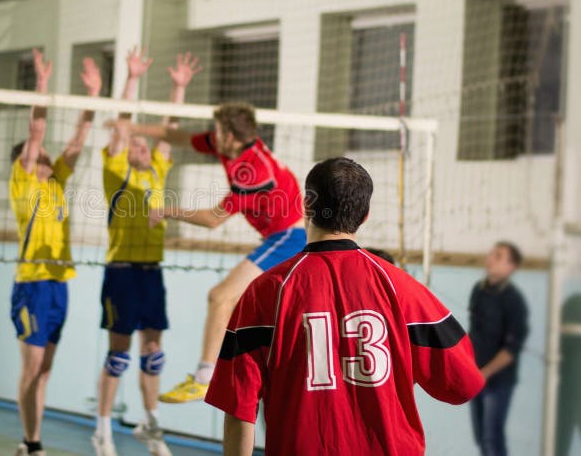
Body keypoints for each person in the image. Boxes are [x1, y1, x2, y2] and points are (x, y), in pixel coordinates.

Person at [205, 157, 486, 455]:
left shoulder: (264, 292)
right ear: (365, 216)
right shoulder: (402, 288)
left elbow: (238, 408)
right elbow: (463, 385)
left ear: (306, 205)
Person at [126, 102, 306, 402]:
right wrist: (133, 127)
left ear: (232, 136)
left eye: (219, 129)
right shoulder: (228, 145)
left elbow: (212, 220)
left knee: (220, 296)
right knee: (256, 317)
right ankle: (245, 380)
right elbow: (180, 137)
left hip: (288, 239)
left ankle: (204, 378)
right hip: (279, 237)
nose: (213, 133)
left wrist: (168, 211)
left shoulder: (254, 172)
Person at [92, 50, 201, 456]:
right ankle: (102, 428)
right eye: (135, 143)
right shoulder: (114, 171)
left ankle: (151, 424)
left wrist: (178, 87)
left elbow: (169, 131)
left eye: (143, 144)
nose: (139, 146)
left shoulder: (157, 171)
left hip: (152, 272)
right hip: (120, 272)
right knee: (118, 355)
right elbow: (121, 127)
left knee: (153, 354)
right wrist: (131, 78)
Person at [10, 49, 101, 456]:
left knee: (44, 372)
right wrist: (42, 85)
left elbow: (78, 140)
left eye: (47, 157)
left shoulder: (56, 183)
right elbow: (36, 135)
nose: (46, 156)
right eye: (38, 156)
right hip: (31, 285)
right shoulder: (23, 184)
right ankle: (32, 444)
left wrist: (94, 95)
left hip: (59, 285)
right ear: (25, 164)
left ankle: (31, 439)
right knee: (31, 369)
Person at [468, 241, 529, 456]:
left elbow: (511, 350)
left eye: (498, 256)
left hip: (498, 381)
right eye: (492, 253)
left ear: (511, 266)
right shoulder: (479, 290)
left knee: (492, 437)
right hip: (476, 376)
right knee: (480, 437)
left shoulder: (513, 300)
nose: (491, 258)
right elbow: (473, 333)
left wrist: (485, 372)